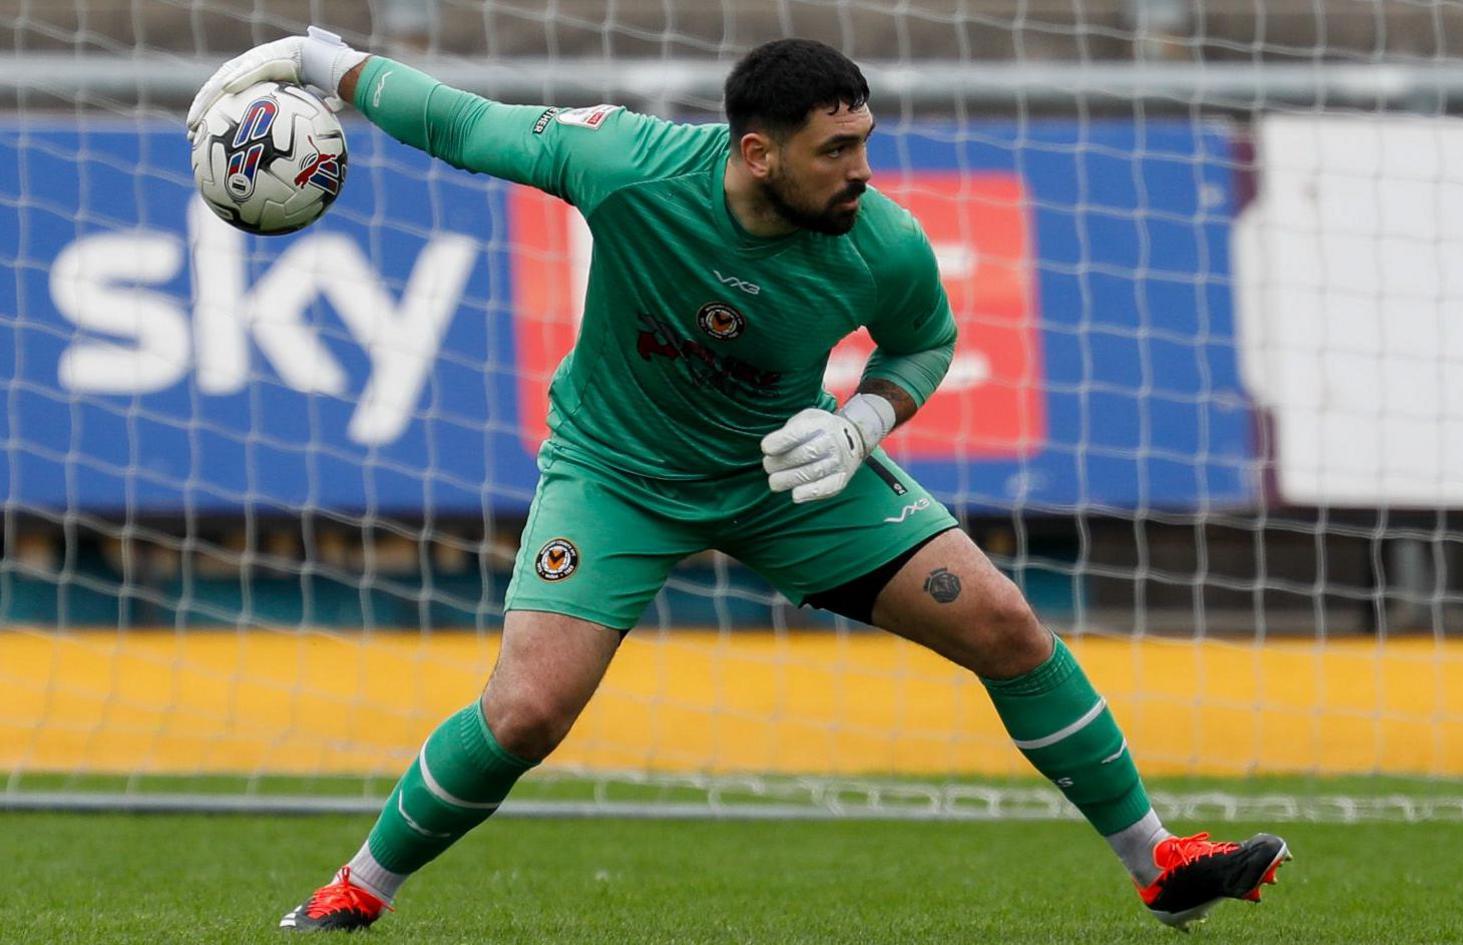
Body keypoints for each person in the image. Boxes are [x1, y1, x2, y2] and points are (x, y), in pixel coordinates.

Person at [186, 27, 1288, 934]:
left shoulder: (882, 241)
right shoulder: (627, 166)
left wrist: (862, 421)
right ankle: (354, 894)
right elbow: (465, 126)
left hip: (782, 473)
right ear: (757, 153)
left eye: (865, 141)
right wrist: (319, 59)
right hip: (614, 472)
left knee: (1004, 621)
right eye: (835, 150)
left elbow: (924, 343)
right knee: (525, 714)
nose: (861, 170)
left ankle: (1160, 864)